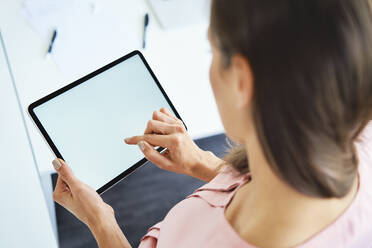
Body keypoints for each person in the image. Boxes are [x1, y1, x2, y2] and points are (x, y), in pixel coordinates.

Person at [51, 0, 372, 247]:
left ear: (242, 80)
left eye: (213, 51)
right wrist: (201, 162)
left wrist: (100, 220)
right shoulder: (357, 142)